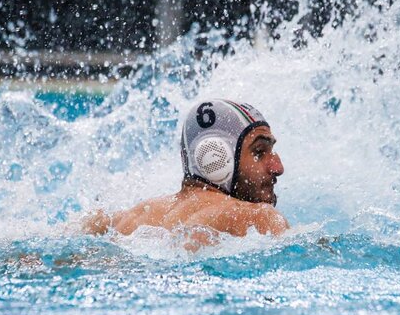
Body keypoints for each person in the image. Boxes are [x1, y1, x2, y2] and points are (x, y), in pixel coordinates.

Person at [82, 99, 289, 248]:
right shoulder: (257, 217)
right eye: (259, 152)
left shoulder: (121, 220)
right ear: (216, 158)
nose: (277, 167)